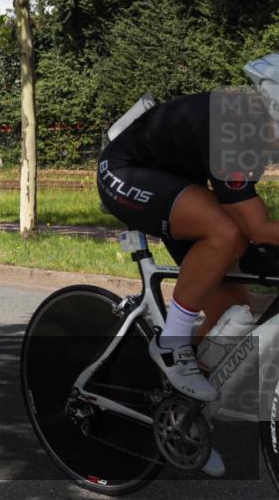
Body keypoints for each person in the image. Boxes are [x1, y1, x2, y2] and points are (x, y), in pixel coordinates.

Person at [97, 78, 279, 405]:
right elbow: (259, 228)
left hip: (177, 183)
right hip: (126, 170)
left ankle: (180, 410)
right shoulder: (231, 127)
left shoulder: (259, 130)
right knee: (227, 233)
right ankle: (171, 343)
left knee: (232, 319)